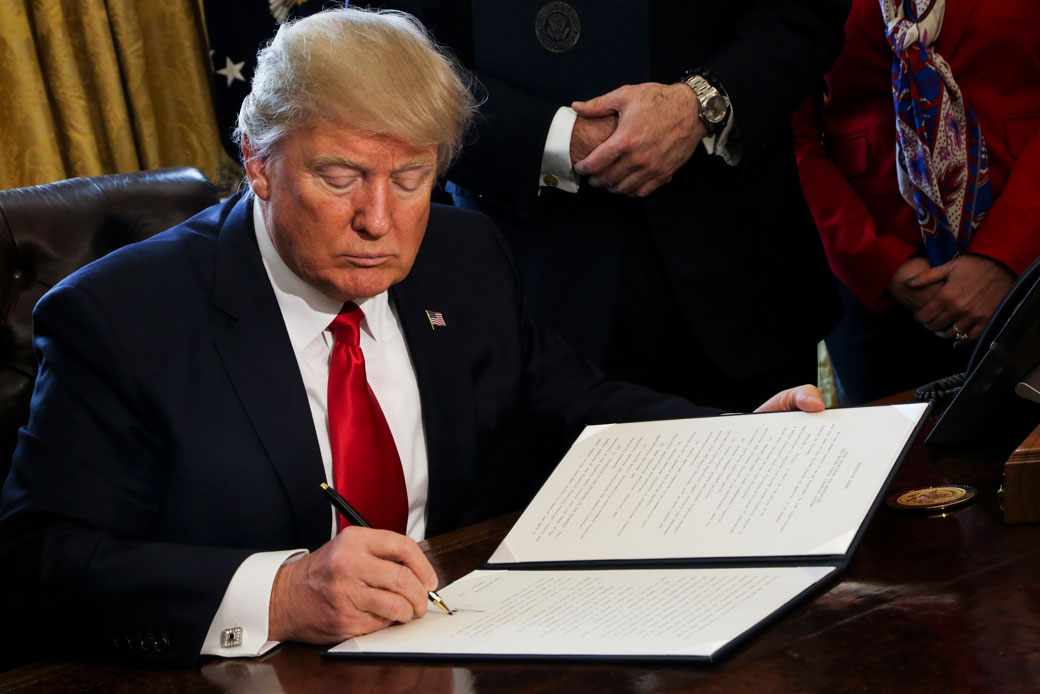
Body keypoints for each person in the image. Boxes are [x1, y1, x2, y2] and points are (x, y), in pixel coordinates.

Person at [0, 7, 825, 667]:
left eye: (410, 178)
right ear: (257, 161)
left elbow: (576, 403)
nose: (379, 221)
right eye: (340, 177)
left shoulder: (461, 253)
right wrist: (280, 591)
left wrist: (738, 443)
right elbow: (38, 564)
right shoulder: (119, 318)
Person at [372, 0, 849, 412]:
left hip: (740, 272)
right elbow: (385, 54)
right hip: (529, 280)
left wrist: (701, 105)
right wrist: (562, 138)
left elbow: (802, 11)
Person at [792, 0, 1040, 404]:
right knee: (892, 459)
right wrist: (881, 263)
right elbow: (789, 134)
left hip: (1028, 253)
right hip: (875, 280)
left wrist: (1003, 256)